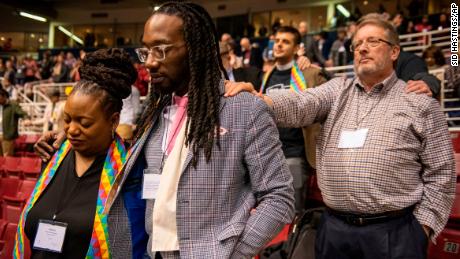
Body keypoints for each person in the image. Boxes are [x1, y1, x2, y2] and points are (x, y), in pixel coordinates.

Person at [35, 2, 295, 259]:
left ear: (194, 50)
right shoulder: (155, 113)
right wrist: (65, 139)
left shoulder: (243, 108)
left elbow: (279, 197)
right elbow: (120, 157)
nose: (149, 63)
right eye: (145, 51)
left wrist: (232, 252)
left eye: (160, 50)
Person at [226, 14, 456, 259]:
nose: (363, 49)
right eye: (357, 44)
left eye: (373, 41)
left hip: (394, 233)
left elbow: (441, 172)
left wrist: (422, 229)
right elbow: (303, 102)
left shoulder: (419, 104)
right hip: (334, 231)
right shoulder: (337, 90)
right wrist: (264, 101)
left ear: (394, 52)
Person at [14, 48, 136, 259]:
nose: (71, 129)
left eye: (84, 123)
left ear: (114, 121)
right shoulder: (52, 155)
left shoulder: (127, 172)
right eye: (68, 120)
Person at [256, 25, 327, 213]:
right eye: (277, 41)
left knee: (293, 210)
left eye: (285, 42)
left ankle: (293, 243)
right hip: (268, 153)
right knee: (268, 210)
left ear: (297, 48)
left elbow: (331, 98)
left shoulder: (309, 74)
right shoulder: (266, 75)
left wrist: (310, 63)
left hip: (294, 153)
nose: (279, 45)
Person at [0, 88, 26, 156]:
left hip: (7, 136)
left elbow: (22, 113)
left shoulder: (13, 104)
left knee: (7, 158)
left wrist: (26, 119)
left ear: (4, 96)